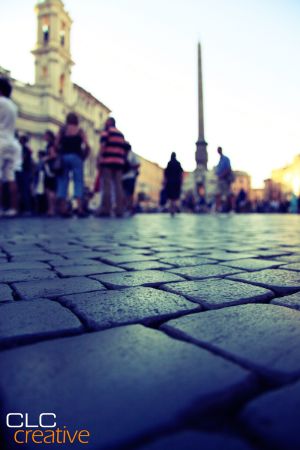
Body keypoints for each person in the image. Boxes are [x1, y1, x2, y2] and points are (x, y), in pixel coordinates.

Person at [55, 112, 90, 217]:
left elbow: (56, 144)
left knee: (63, 181)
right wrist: (84, 156)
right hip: (77, 157)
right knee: (78, 182)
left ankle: (63, 209)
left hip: (64, 157)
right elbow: (87, 145)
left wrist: (60, 151)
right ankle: (79, 209)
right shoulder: (80, 131)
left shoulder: (62, 130)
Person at [0, 77, 21, 217]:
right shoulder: (13, 106)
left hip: (0, 141)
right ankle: (13, 208)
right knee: (10, 177)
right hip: (12, 143)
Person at [97, 117, 126, 217]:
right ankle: (119, 210)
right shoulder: (121, 134)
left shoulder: (106, 132)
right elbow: (124, 148)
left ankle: (106, 209)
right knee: (118, 186)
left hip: (107, 161)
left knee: (107, 186)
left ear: (109, 123)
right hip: (119, 162)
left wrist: (99, 157)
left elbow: (103, 146)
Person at [17, 135, 34, 215]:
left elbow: (22, 159)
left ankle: (26, 209)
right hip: (26, 171)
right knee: (25, 190)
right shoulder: (27, 149)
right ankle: (26, 209)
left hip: (23, 171)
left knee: (24, 190)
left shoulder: (23, 149)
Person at [122, 142, 140, 215]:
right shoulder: (131, 154)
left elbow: (137, 164)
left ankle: (129, 207)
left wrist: (130, 166)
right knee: (127, 193)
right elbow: (138, 164)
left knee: (128, 193)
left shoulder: (131, 154)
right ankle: (128, 207)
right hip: (127, 177)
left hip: (128, 176)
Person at [215, 147, 234, 212]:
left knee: (229, 194)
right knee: (218, 194)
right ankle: (218, 209)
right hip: (220, 180)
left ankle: (232, 209)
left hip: (225, 179)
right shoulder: (220, 160)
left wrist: (221, 175)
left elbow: (228, 169)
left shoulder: (225, 159)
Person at [43, 130, 57, 216]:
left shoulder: (50, 145)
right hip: (52, 169)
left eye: (45, 135)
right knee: (52, 189)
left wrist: (45, 158)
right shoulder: (54, 144)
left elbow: (53, 155)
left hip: (50, 169)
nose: (44, 137)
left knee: (49, 189)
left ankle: (51, 209)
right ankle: (52, 209)